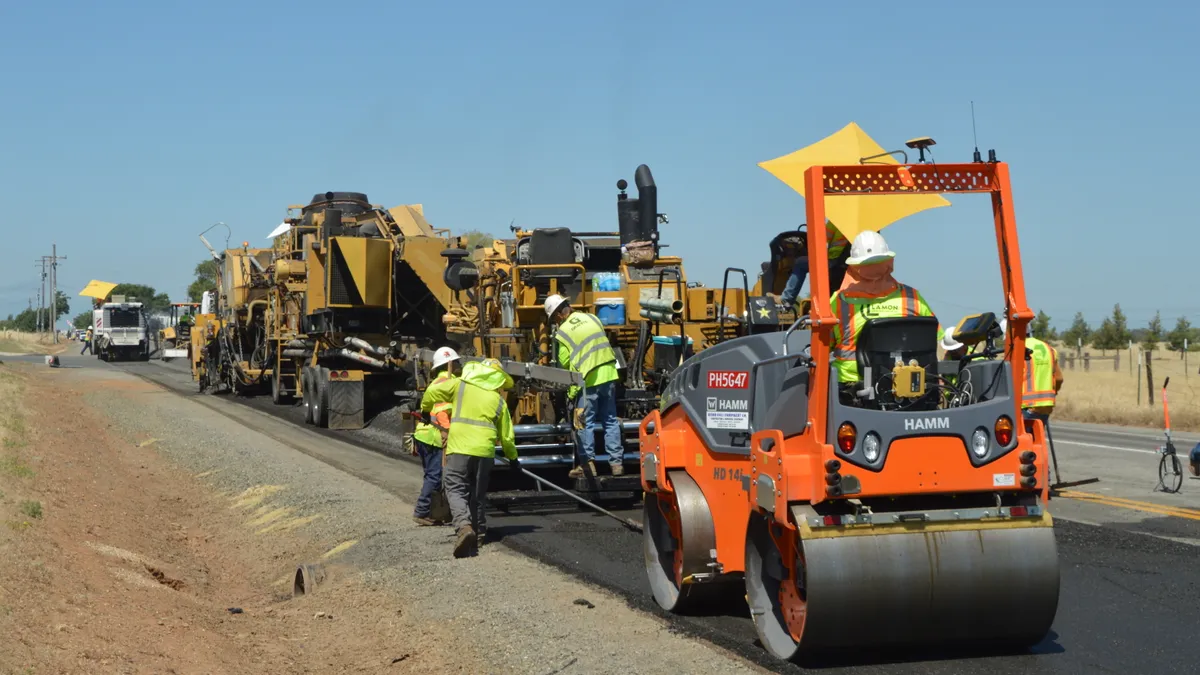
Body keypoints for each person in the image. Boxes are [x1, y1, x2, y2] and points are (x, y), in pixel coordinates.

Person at [421, 357, 516, 558]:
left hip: (460, 448)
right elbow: (507, 436)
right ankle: (479, 533)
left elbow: (431, 392)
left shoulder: (460, 386)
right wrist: (513, 458)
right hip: (485, 452)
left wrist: (425, 409)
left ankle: (464, 527)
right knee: (477, 494)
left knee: (455, 488)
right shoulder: (498, 400)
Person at [829, 231, 937, 384]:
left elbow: (822, 347)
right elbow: (934, 340)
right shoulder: (912, 297)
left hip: (853, 392)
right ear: (890, 262)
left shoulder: (839, 302)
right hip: (912, 389)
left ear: (853, 267)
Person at [544, 294, 623, 478]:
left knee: (583, 423)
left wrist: (572, 390)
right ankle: (617, 464)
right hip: (609, 373)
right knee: (610, 419)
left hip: (588, 380)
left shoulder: (563, 332)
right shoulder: (592, 317)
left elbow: (565, 363)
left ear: (558, 315)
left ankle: (587, 466)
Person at [411, 346, 460, 526]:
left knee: (431, 475)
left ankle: (434, 511)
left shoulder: (437, 382)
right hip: (434, 436)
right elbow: (441, 411)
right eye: (456, 362)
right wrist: (447, 432)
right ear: (450, 364)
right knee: (435, 476)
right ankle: (422, 512)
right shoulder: (450, 383)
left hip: (424, 434)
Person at [776, 220, 851, 309]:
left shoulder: (836, 221)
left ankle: (787, 299)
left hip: (833, 262)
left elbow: (821, 238)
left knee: (800, 263)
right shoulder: (859, 224)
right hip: (849, 265)